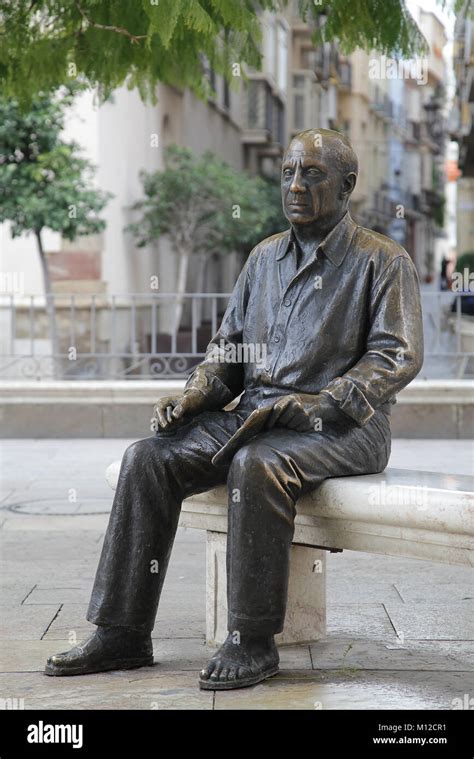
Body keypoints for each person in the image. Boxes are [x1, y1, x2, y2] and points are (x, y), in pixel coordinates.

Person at [45, 128, 423, 690]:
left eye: (313, 174)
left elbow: (397, 355)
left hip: (343, 424)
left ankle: (251, 638)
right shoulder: (264, 258)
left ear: (347, 187)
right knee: (148, 458)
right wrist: (193, 394)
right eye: (289, 173)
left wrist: (320, 400)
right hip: (257, 415)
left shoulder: (382, 261)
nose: (295, 185)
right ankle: (122, 631)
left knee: (257, 466)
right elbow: (228, 352)